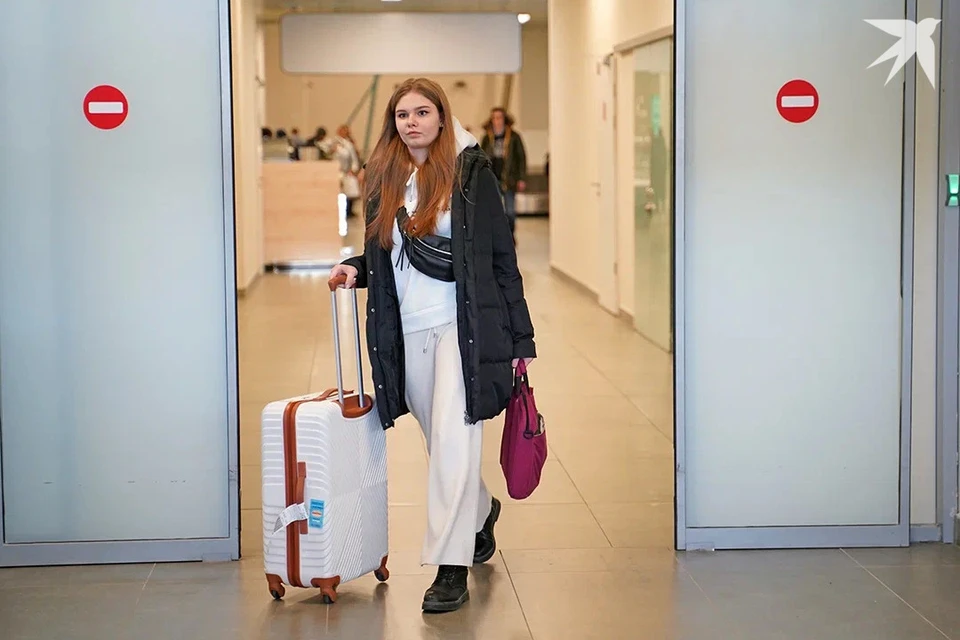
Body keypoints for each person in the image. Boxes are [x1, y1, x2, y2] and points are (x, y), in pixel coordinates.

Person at [328, 78, 536, 614]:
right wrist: (355, 269)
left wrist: (521, 336)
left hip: (461, 327)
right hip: (407, 330)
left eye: (422, 112)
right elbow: (384, 252)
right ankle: (481, 510)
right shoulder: (386, 177)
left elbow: (501, 257)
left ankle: (450, 565)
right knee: (439, 441)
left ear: (442, 117)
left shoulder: (469, 174)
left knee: (451, 436)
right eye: (403, 114)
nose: (412, 122)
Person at [480, 107, 528, 237]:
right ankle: (499, 237)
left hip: (509, 179)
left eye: (499, 117)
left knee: (510, 212)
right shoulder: (487, 138)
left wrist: (521, 178)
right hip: (492, 178)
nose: (497, 121)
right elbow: (481, 157)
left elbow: (521, 158)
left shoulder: (514, 137)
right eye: (494, 118)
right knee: (494, 211)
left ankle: (510, 236)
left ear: (504, 119)